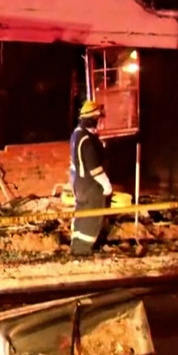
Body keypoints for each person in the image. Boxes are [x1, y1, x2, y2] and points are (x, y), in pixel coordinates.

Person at [69, 100, 113, 256]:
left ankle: (76, 247)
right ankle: (83, 251)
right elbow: (95, 168)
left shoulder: (77, 134)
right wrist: (107, 186)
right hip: (91, 186)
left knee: (81, 214)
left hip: (79, 185)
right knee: (92, 218)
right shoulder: (87, 139)